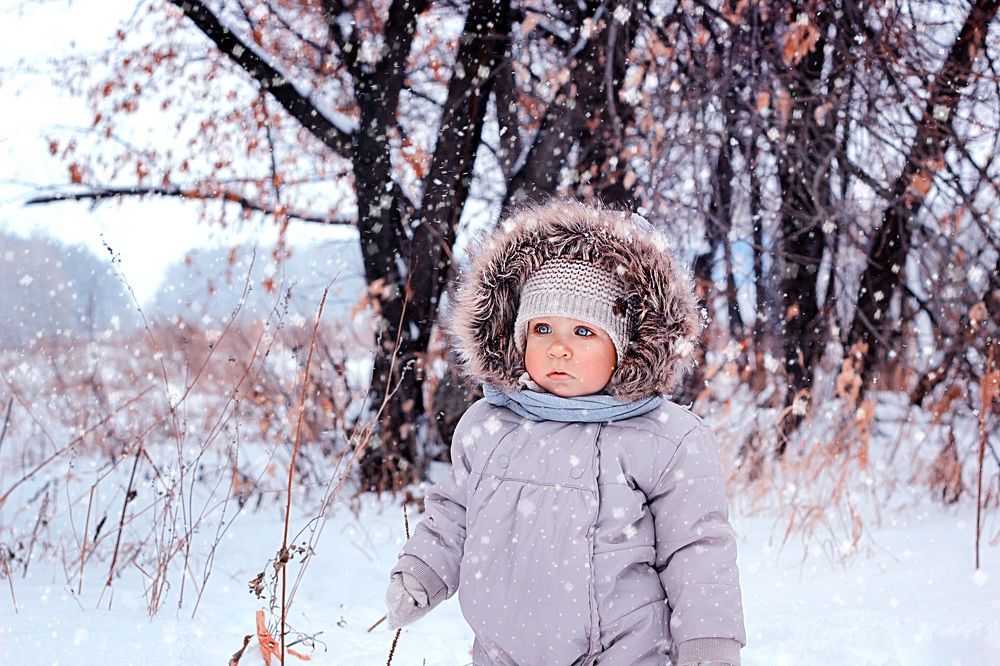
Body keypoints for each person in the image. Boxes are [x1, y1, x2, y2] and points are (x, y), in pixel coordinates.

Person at [385, 199, 746, 665]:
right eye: (542, 328)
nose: (558, 348)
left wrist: (708, 642)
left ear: (625, 346)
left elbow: (697, 549)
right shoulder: (489, 425)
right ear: (516, 336)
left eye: (583, 332)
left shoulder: (664, 439)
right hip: (502, 653)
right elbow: (454, 513)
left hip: (623, 652)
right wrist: (422, 571)